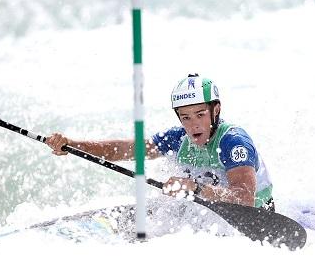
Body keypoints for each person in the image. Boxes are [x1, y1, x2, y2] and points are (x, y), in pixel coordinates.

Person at [46, 73, 274, 211]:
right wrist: (72, 145)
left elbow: (244, 199)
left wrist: (195, 187)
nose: (193, 124)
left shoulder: (234, 142)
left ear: (216, 110)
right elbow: (123, 149)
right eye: (185, 117)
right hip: (209, 214)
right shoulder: (178, 138)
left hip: (258, 216)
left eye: (200, 114)